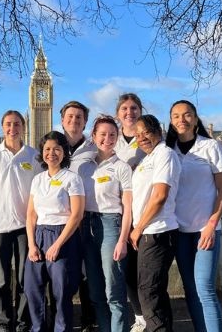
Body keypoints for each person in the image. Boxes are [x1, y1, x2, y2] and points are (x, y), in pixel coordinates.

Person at [166, 100, 222, 332]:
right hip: (179, 230)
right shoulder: (168, 150)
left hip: (205, 229)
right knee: (190, 289)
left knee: (204, 288)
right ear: (171, 121)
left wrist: (212, 224)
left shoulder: (210, 147)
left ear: (195, 118)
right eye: (176, 116)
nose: (181, 119)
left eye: (187, 115)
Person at [0, 110, 41, 332]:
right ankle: (4, 325)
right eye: (8, 124)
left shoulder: (33, 155)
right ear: (2, 126)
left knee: (26, 280)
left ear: (24, 126)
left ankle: (24, 324)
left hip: (26, 227)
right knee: (2, 281)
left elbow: (39, 189)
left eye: (16, 124)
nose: (12, 128)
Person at [24, 131, 85, 332]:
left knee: (61, 292)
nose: (52, 153)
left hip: (63, 235)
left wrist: (57, 244)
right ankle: (38, 328)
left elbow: (76, 215)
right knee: (33, 290)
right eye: (48, 149)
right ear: (42, 153)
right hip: (39, 235)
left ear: (64, 152)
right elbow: (31, 214)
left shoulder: (72, 179)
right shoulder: (38, 179)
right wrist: (32, 245)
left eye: (57, 149)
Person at [128, 114, 181, 332]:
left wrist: (138, 227)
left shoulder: (165, 154)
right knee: (151, 290)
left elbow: (160, 196)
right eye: (137, 134)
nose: (142, 138)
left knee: (149, 291)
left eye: (146, 132)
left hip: (157, 232)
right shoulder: (146, 158)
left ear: (158, 132)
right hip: (145, 232)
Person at [81, 115, 133, 332]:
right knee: (95, 291)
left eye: (112, 134)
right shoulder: (84, 167)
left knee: (113, 289)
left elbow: (128, 206)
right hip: (86, 225)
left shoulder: (122, 167)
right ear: (94, 136)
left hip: (111, 225)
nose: (107, 138)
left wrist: (123, 239)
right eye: (102, 134)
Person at [59, 100, 98, 331]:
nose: (74, 120)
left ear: (85, 122)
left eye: (79, 117)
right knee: (61, 272)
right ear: (63, 119)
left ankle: (89, 320)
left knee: (89, 271)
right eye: (70, 116)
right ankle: (60, 321)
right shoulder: (52, 145)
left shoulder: (94, 148)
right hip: (60, 220)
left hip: (88, 219)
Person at [113, 93, 147, 332]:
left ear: (140, 111)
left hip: (143, 213)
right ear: (118, 114)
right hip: (116, 213)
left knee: (143, 270)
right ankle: (138, 315)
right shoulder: (110, 139)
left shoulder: (148, 138)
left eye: (134, 108)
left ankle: (147, 316)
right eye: (124, 108)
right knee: (122, 270)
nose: (129, 112)